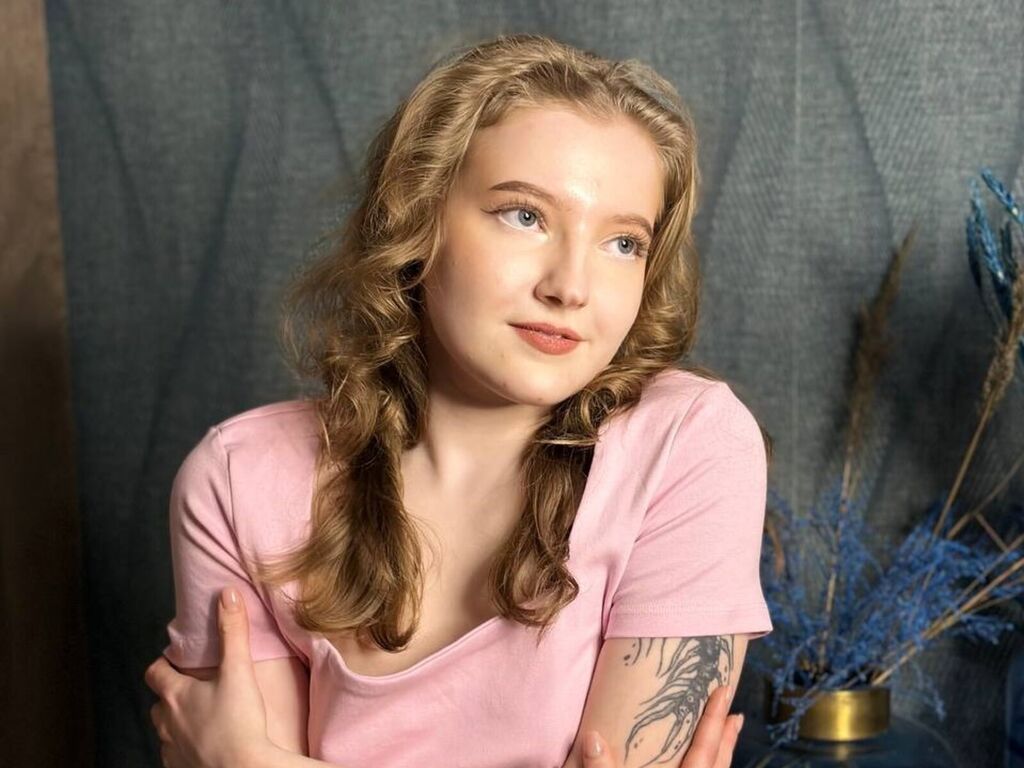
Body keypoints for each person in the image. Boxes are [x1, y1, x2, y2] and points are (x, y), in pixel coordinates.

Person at [143, 32, 773, 768]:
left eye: (624, 243)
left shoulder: (688, 445)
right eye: (524, 215)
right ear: (417, 219)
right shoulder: (239, 479)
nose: (571, 287)